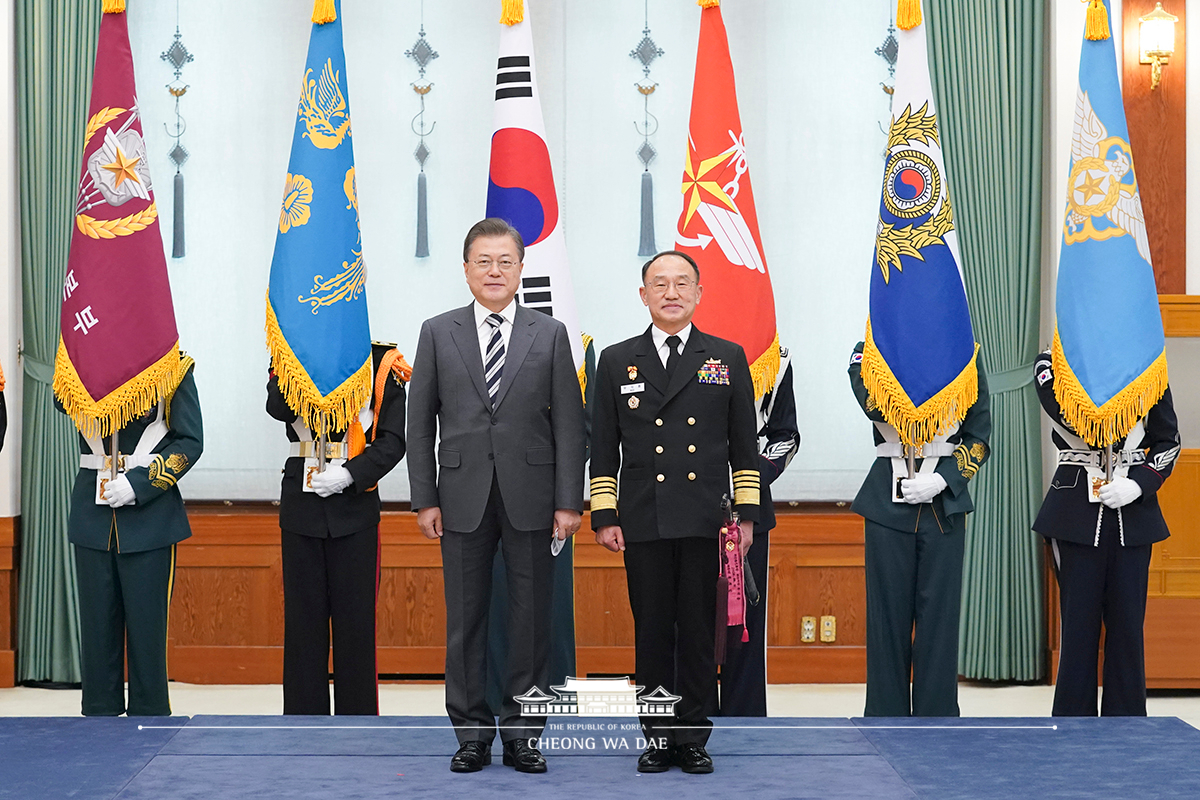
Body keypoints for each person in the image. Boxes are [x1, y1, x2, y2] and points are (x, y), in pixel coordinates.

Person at [407, 217, 585, 774]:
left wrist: (568, 501)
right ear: (465, 270)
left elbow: (569, 428)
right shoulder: (438, 331)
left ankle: (523, 733)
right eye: (483, 261)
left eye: (505, 261)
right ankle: (471, 733)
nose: (494, 271)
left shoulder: (549, 333)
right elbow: (419, 425)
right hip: (459, 497)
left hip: (534, 496)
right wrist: (424, 498)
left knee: (531, 620)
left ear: (521, 270)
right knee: (465, 620)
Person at [590, 250, 760, 774]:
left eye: (682, 283)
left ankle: (693, 736)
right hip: (644, 518)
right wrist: (604, 512)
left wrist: (747, 515)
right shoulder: (618, 360)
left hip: (708, 519)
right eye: (659, 283)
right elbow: (603, 445)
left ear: (699, 293)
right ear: (643, 295)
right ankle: (658, 735)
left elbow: (743, 447)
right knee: (653, 631)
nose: (671, 292)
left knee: (696, 629)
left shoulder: (726, 357)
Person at [1032, 350, 1179, 716]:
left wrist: (1140, 484)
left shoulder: (1145, 364)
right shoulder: (1052, 362)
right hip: (1075, 513)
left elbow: (1168, 439)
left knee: (1128, 630)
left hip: (1133, 512)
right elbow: (1070, 415)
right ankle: (1072, 729)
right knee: (1078, 631)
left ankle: (1127, 727)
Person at [847, 341, 990, 717]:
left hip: (944, 505)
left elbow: (979, 438)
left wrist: (945, 479)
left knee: (940, 622)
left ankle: (937, 719)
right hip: (886, 504)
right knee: (886, 623)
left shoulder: (966, 358)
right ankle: (885, 719)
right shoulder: (870, 352)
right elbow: (871, 401)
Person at [266, 341, 408, 716]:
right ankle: (302, 727)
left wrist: (350, 474)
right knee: (302, 627)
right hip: (302, 505)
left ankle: (359, 726)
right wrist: (302, 353)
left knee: (356, 627)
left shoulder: (380, 361)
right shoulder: (292, 349)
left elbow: (393, 441)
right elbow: (277, 407)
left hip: (355, 507)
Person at [62, 349, 202, 716]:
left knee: (147, 634)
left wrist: (141, 484)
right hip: (93, 516)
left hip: (150, 518)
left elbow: (190, 441)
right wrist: (88, 352)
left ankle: (150, 720)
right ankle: (99, 718)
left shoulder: (174, 366)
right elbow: (62, 399)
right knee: (96, 633)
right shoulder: (83, 353)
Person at [716, 348, 799, 717]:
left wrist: (746, 480)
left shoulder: (774, 356)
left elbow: (786, 436)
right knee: (689, 623)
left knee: (744, 624)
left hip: (749, 512)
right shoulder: (681, 345)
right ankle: (691, 723)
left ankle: (745, 723)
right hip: (687, 503)